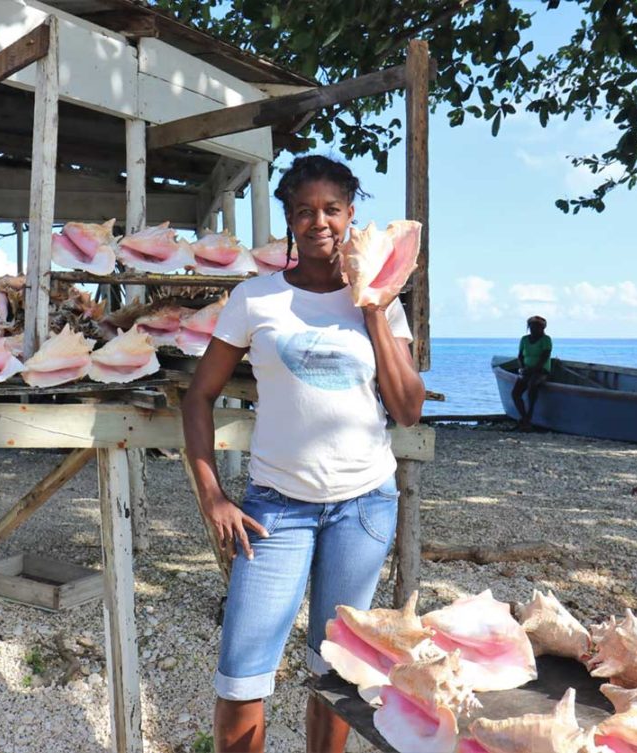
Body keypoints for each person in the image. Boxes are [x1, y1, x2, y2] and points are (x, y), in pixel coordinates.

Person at [181, 155, 425, 753]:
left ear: (350, 216)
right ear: (290, 222)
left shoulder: (383, 302)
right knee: (242, 670)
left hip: (364, 508)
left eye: (332, 209)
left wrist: (369, 304)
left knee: (336, 669)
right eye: (304, 211)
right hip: (275, 509)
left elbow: (408, 407)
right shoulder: (255, 299)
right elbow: (199, 395)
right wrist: (212, 494)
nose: (320, 222)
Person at [512, 315, 553, 430]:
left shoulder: (546, 340)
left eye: (538, 327)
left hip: (541, 371)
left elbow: (545, 357)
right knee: (515, 393)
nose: (534, 329)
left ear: (543, 328)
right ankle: (524, 417)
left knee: (532, 385)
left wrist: (533, 369)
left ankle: (529, 415)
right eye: (532, 327)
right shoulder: (524, 339)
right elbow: (520, 356)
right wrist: (523, 368)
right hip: (526, 370)